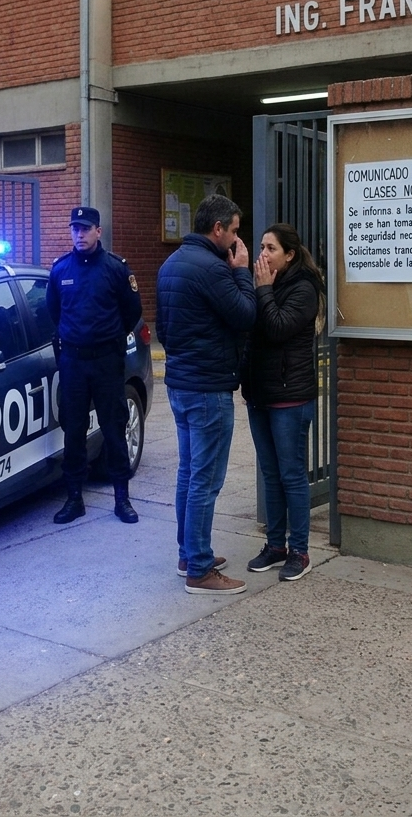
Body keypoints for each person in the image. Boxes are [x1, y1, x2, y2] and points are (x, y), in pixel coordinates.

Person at [156, 193, 257, 594]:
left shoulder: (171, 264)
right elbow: (246, 315)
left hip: (180, 384)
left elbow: (163, 329)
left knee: (188, 473)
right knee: (205, 480)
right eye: (234, 231)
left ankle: (189, 552)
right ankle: (199, 569)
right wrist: (243, 272)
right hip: (208, 388)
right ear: (217, 229)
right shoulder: (214, 269)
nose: (237, 239)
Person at [46, 206, 142, 525]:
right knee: (73, 431)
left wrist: (110, 340)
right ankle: (74, 498)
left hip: (105, 361)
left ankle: (122, 499)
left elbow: (131, 312)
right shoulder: (60, 270)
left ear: (98, 232)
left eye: (86, 229)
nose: (79, 234)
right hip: (73, 362)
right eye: (75, 228)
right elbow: (54, 313)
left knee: (114, 429)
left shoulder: (115, 269)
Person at [242, 223, 324, 582]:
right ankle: (275, 546)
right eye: (262, 247)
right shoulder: (265, 284)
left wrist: (262, 291)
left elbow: (276, 328)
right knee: (270, 474)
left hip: (290, 396)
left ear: (289, 255)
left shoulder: (303, 288)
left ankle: (300, 551)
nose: (263, 254)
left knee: (292, 475)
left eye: (271, 248)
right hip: (259, 393)